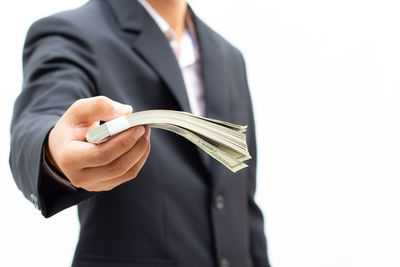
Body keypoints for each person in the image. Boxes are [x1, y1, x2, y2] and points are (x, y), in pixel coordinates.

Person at [9, 0, 271, 266]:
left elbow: (243, 204)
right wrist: (52, 153)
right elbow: (40, 115)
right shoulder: (71, 32)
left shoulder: (230, 57)